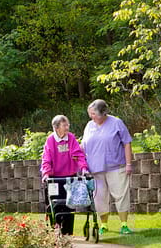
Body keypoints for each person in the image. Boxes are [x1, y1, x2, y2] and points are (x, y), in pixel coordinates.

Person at [81, 99, 133, 235]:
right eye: (90, 114)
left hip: (116, 166)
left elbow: (127, 143)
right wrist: (82, 165)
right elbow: (83, 146)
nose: (91, 116)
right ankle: (104, 224)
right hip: (95, 170)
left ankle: (124, 224)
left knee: (121, 194)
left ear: (103, 113)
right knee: (99, 197)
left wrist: (128, 164)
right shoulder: (89, 126)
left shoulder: (116, 123)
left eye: (94, 114)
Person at [41, 115, 89, 235]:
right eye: (65, 125)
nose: (68, 127)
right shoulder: (51, 140)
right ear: (57, 128)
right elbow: (46, 158)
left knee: (69, 205)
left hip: (70, 176)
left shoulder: (71, 138)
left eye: (68, 124)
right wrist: (46, 173)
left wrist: (83, 168)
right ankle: (56, 230)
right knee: (55, 205)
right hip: (54, 178)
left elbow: (78, 154)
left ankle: (68, 233)